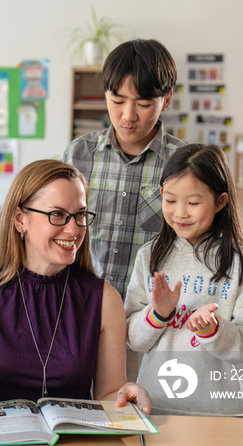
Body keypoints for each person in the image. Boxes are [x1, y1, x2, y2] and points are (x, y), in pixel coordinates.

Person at [0, 159, 152, 413]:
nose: (74, 228)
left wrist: (126, 397)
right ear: (20, 219)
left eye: (80, 215)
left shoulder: (104, 299)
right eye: (57, 215)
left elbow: (110, 394)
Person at [124, 144, 243, 416]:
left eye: (194, 203)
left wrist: (212, 329)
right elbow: (133, 340)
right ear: (161, 194)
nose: (180, 213)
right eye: (171, 200)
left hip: (217, 412)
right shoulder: (148, 257)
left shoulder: (240, 262)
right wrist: (158, 314)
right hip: (154, 406)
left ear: (221, 201)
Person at [62, 39, 187, 298]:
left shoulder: (185, 164)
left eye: (143, 105)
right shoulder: (78, 155)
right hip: (81, 303)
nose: (129, 115)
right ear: (105, 94)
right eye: (117, 101)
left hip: (151, 314)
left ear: (166, 100)